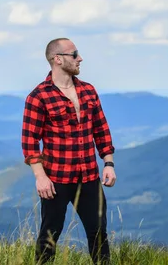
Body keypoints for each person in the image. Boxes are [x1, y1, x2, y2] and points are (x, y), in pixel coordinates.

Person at [21, 37, 117, 265]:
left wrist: (109, 163)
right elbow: (30, 141)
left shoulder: (88, 91)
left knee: (99, 233)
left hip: (89, 177)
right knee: (50, 235)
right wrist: (40, 178)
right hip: (56, 179)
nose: (80, 58)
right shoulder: (39, 96)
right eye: (74, 54)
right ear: (58, 59)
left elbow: (101, 129)